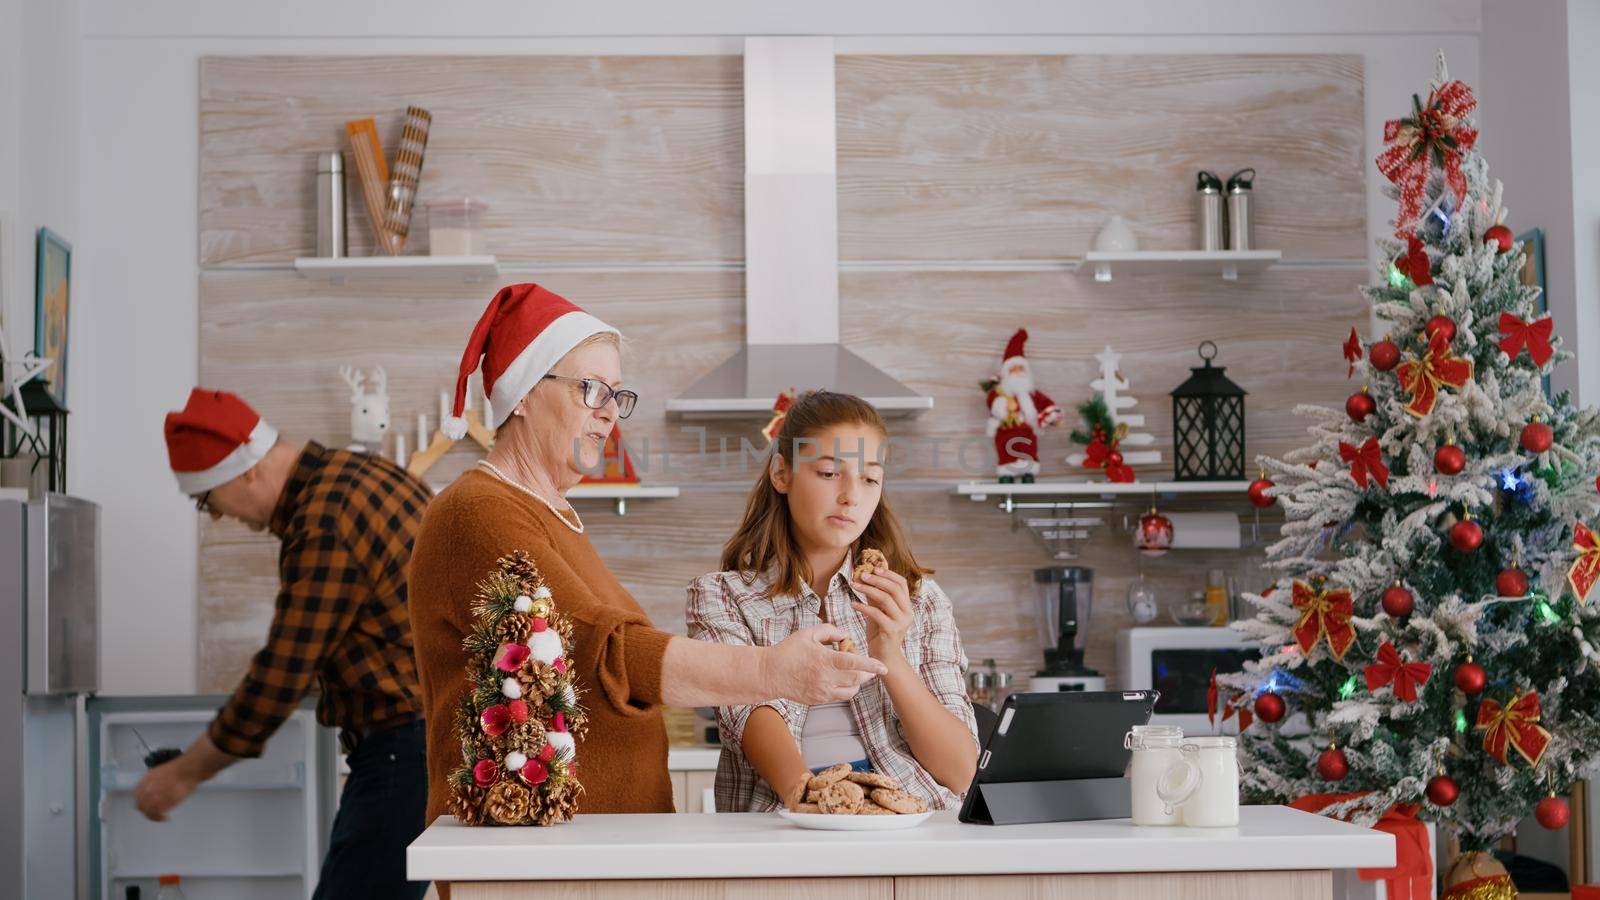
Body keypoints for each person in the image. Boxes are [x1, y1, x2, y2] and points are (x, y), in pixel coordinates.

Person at [408, 284, 887, 830]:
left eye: (617, 394)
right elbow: (605, 652)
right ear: (522, 392)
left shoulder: (550, 514)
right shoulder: (477, 512)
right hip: (534, 855)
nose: (611, 413)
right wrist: (772, 670)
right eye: (591, 389)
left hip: (588, 849)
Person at [138, 388, 433, 900]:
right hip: (433, 743)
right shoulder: (364, 475)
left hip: (401, 755)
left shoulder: (323, 521)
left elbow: (281, 674)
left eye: (207, 500)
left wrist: (184, 774)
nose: (216, 516)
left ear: (244, 470)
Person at [687, 390, 980, 812]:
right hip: (789, 826)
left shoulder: (921, 600)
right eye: (828, 473)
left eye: (869, 479)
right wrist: (812, 800)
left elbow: (960, 771)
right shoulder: (722, 596)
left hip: (912, 827)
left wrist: (888, 654)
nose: (851, 496)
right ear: (781, 474)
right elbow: (748, 714)